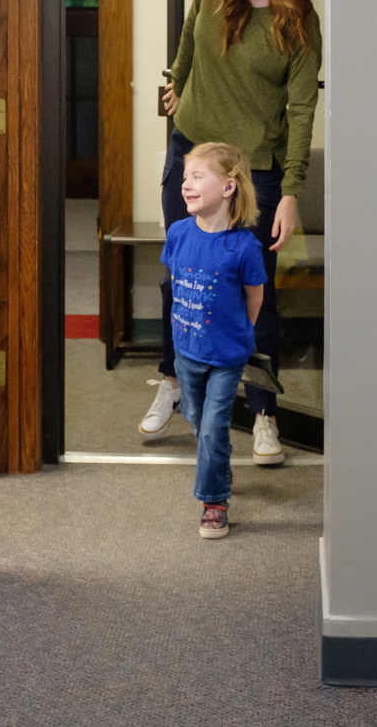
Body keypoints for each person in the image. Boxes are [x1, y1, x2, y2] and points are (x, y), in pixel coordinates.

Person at [138, 0, 321, 466]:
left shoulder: (297, 18)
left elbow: (301, 107)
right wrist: (176, 81)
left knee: (253, 290)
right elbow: (190, 36)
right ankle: (171, 378)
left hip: (253, 171)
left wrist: (291, 189)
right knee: (183, 274)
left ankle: (263, 411)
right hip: (192, 152)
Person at [160, 142, 267, 539]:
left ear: (228, 188)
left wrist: (244, 331)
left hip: (226, 356)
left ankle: (214, 500)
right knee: (195, 419)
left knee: (212, 427)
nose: (185, 185)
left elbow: (255, 295)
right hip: (187, 352)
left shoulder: (244, 247)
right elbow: (174, 283)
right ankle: (220, 465)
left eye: (197, 177)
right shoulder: (179, 233)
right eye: (185, 177)